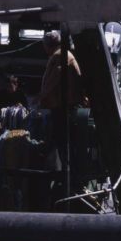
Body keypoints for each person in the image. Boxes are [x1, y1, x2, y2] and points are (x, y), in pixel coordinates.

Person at [39, 30, 86, 163]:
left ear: (48, 45)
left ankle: (67, 167)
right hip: (65, 105)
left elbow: (54, 79)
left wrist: (41, 96)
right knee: (63, 140)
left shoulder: (59, 55)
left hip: (63, 107)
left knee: (62, 140)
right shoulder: (63, 53)